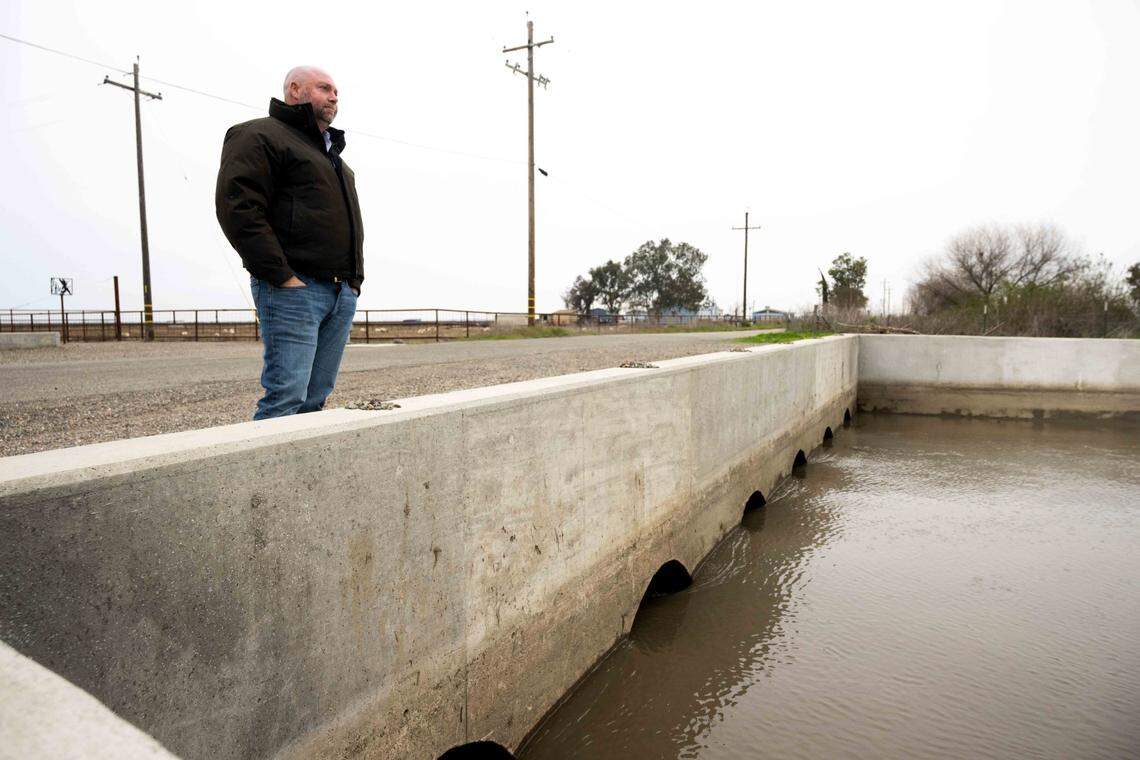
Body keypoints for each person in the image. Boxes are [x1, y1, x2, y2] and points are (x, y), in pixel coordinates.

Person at [215, 66, 364, 419]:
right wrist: (281, 275)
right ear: (295, 90)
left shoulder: (337, 162)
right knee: (286, 396)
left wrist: (354, 284)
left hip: (340, 293)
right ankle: (259, 476)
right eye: (325, 88)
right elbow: (239, 207)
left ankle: (303, 476)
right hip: (294, 289)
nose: (334, 96)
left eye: (336, 92)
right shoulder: (259, 135)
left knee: (315, 400)